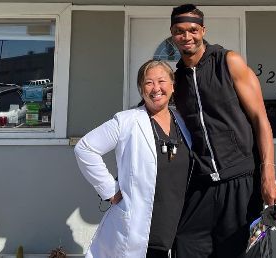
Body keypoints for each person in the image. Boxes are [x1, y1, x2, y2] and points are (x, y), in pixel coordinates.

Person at [170, 4, 276, 258]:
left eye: (192, 29)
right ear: (172, 35)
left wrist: (268, 178)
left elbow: (261, 119)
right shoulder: (176, 79)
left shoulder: (228, 61)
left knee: (239, 252)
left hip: (240, 179)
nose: (187, 36)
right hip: (201, 183)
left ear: (203, 30)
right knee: (184, 243)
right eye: (180, 31)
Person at [74, 60, 192, 258]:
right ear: (140, 89)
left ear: (172, 85)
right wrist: (109, 189)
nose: (156, 88)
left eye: (162, 81)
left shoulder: (182, 120)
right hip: (144, 228)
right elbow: (85, 148)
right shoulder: (126, 121)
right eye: (148, 83)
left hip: (180, 225)